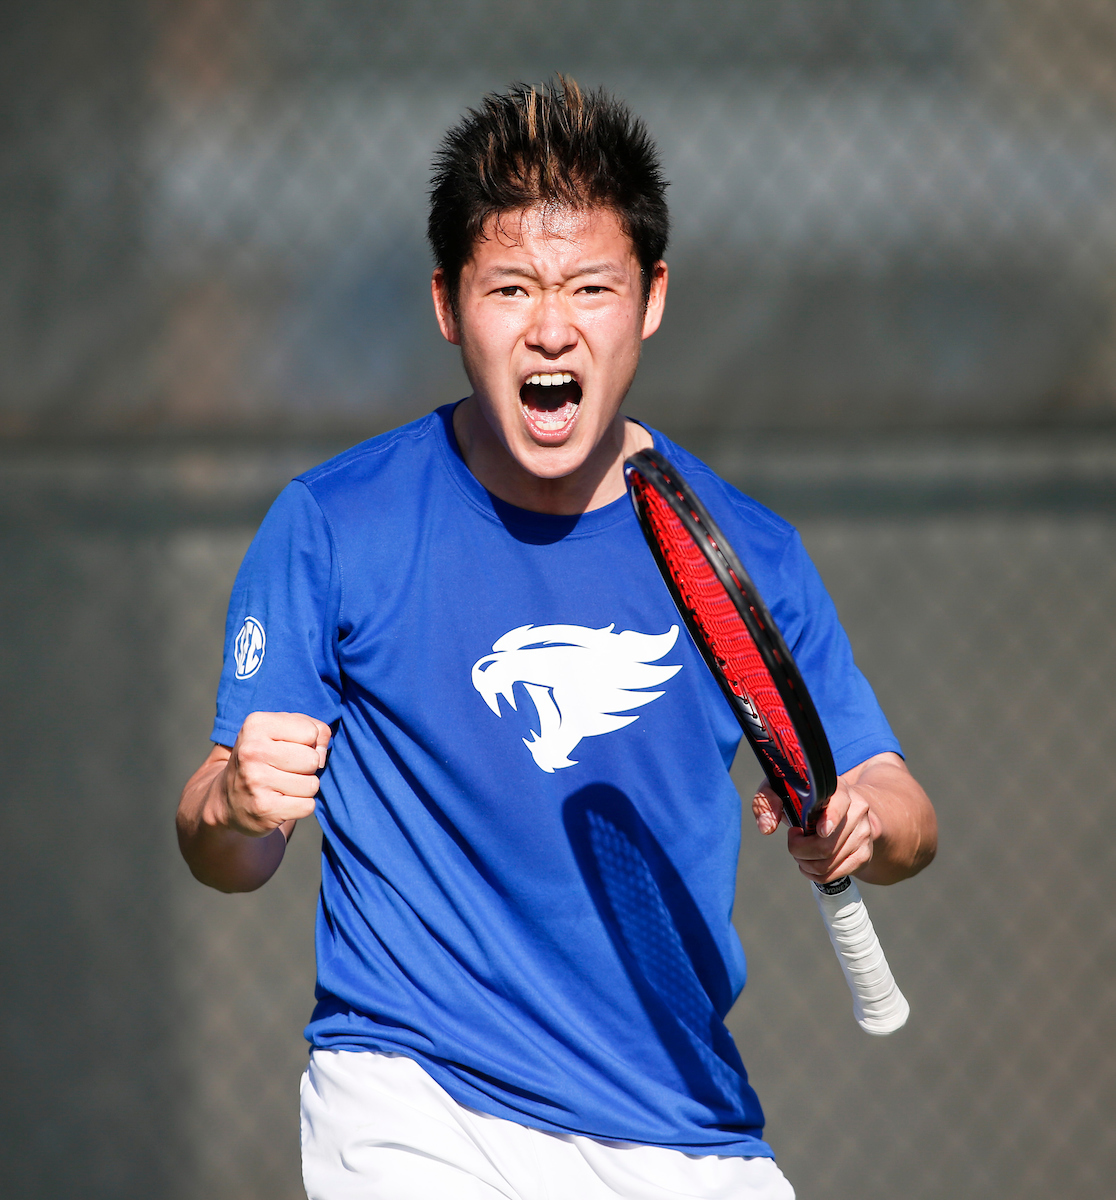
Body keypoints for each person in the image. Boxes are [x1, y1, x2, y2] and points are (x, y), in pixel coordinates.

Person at [177, 78, 936, 1200]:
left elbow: (903, 810)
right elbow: (223, 851)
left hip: (686, 1128)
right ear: (448, 305)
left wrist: (866, 819)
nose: (551, 325)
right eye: (510, 288)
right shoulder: (334, 525)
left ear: (651, 299)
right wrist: (237, 804)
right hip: (413, 1106)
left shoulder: (747, 552)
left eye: (591, 286)